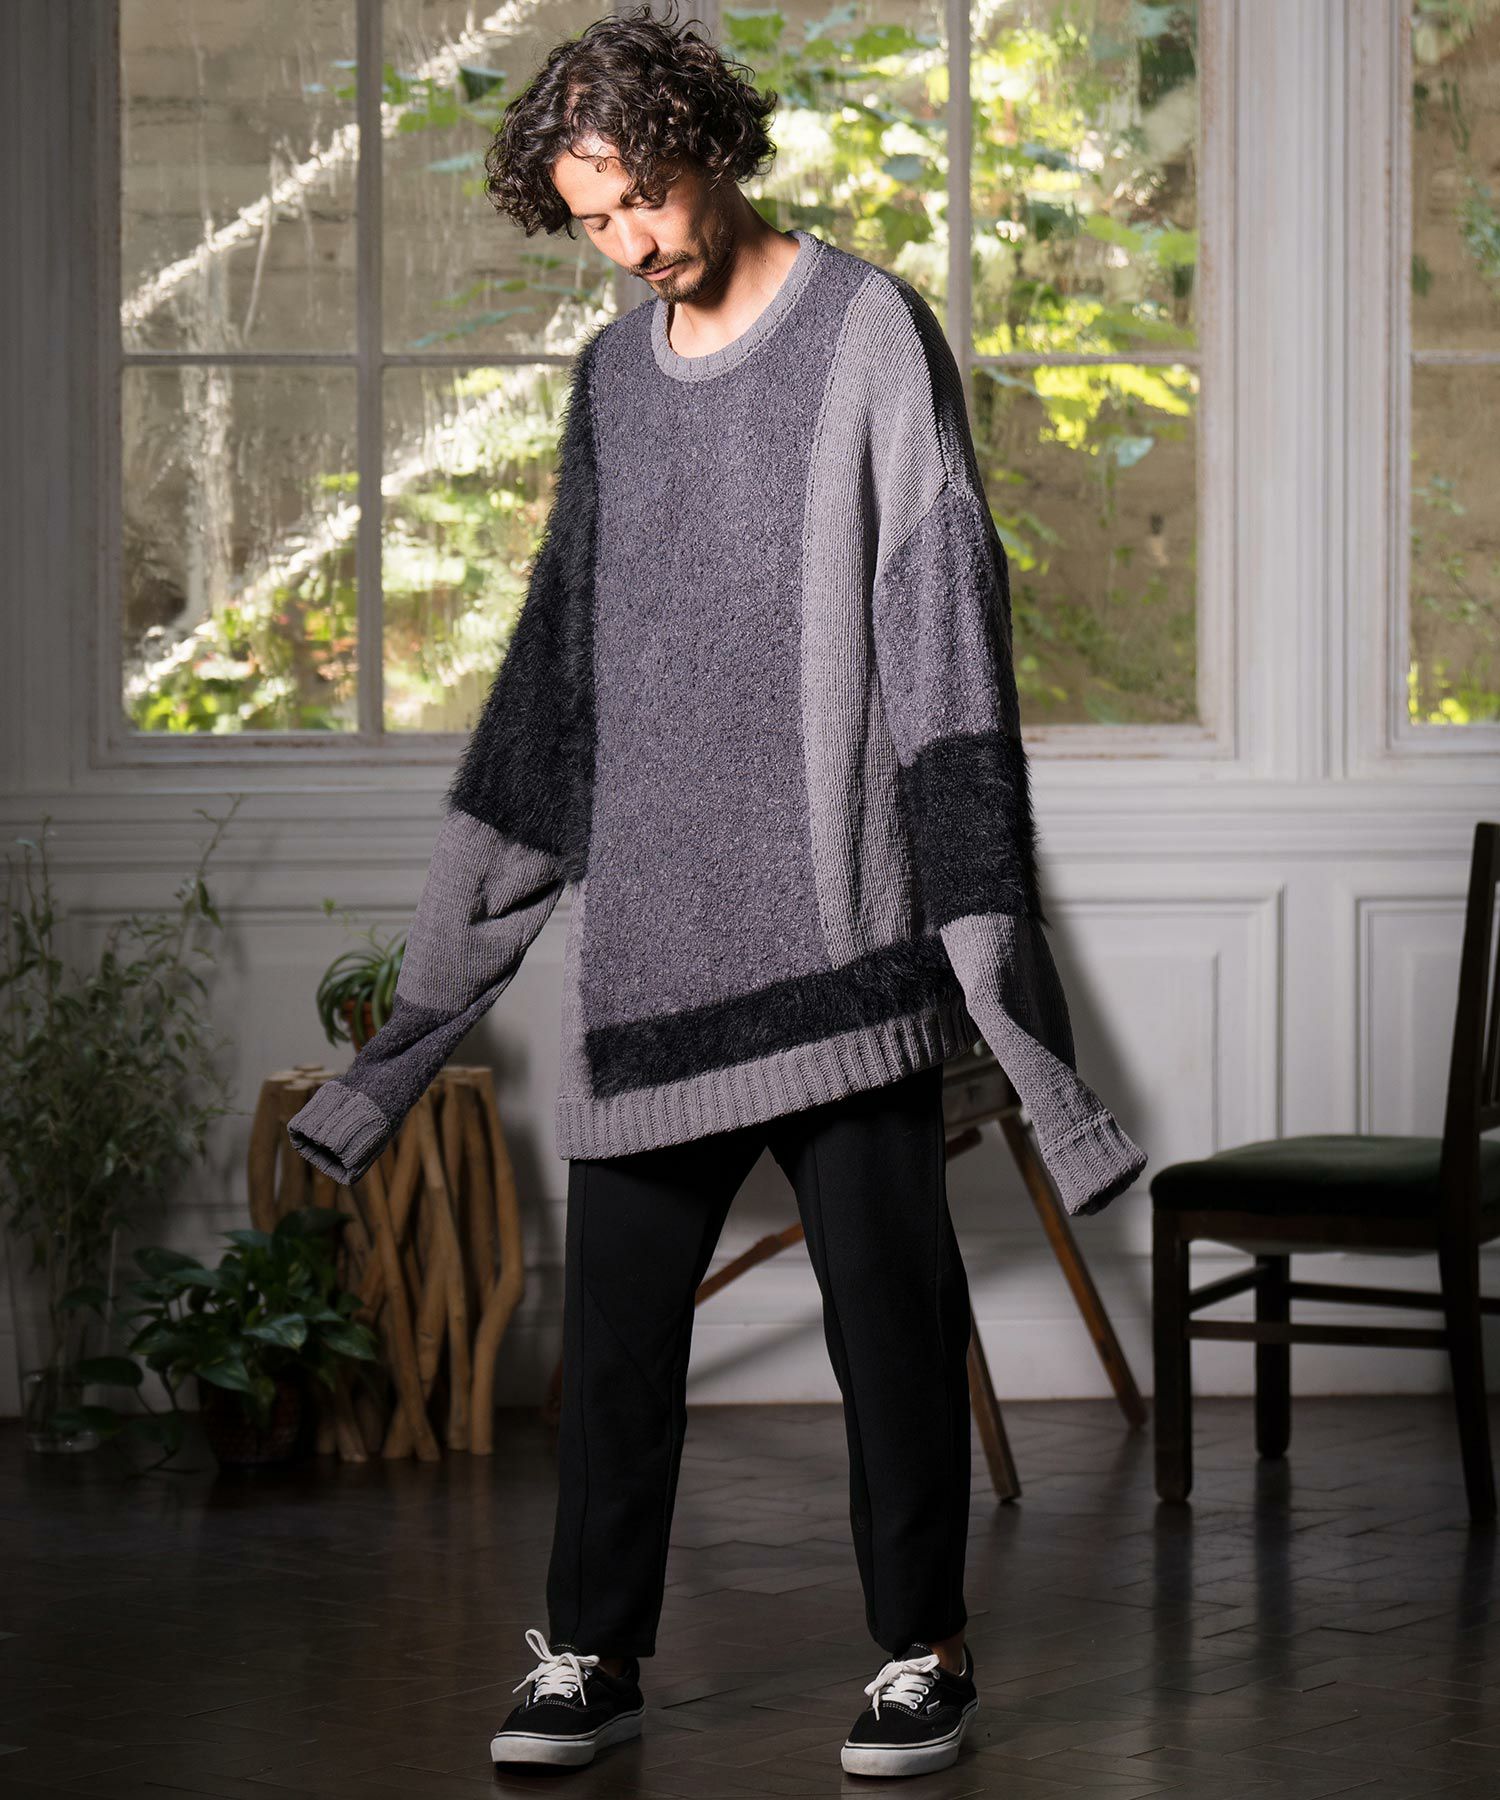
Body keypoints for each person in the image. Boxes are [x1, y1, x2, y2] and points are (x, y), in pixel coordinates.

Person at [286, 2, 1147, 1779]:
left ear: (711, 146)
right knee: (615, 1350)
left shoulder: (867, 333)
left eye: (646, 198)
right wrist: (425, 1011)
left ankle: (924, 1650)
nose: (631, 243)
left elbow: (943, 635)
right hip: (655, 956)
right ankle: (591, 1657)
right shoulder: (612, 385)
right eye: (593, 220)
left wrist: (986, 960)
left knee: (889, 1324)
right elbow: (558, 686)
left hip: (844, 941)